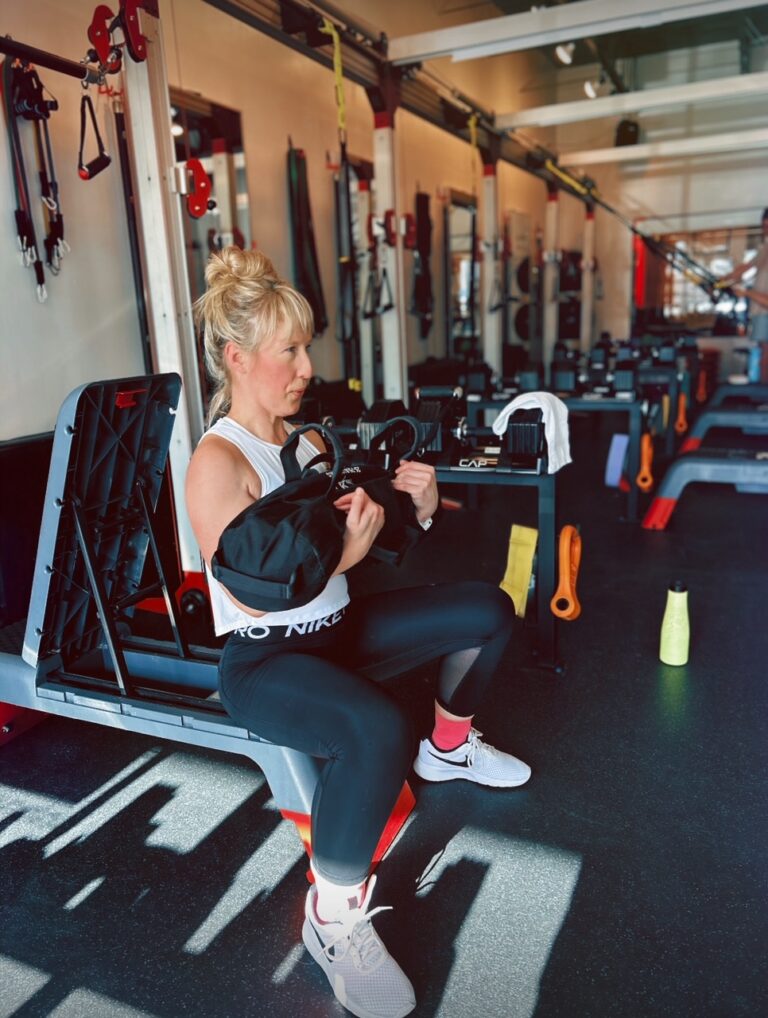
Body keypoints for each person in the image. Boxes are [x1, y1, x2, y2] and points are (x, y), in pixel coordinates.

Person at [185, 247, 531, 1018]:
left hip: (339, 630)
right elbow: (257, 583)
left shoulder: (306, 444)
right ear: (239, 358)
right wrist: (345, 550)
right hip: (267, 662)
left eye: (307, 347)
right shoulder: (217, 462)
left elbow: (369, 534)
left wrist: (421, 505)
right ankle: (333, 917)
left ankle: (450, 749)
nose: (307, 366)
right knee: (375, 727)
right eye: (291, 351)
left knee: (486, 608)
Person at [720, 208, 768, 381]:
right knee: (762, 357)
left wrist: (746, 292)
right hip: (759, 315)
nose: (766, 230)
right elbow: (744, 268)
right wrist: (721, 280)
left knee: (765, 360)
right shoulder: (765, 249)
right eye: (764, 226)